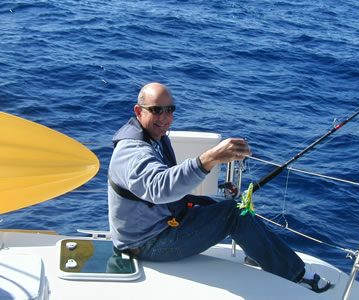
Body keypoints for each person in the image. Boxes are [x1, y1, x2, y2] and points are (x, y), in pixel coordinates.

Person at [108, 82, 330, 293]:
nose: (165, 118)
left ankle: (261, 253)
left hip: (160, 221)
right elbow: (159, 188)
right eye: (156, 110)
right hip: (148, 243)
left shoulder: (154, 136)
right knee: (233, 215)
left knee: (232, 205)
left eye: (170, 109)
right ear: (139, 111)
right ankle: (295, 275)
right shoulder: (132, 152)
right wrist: (207, 159)